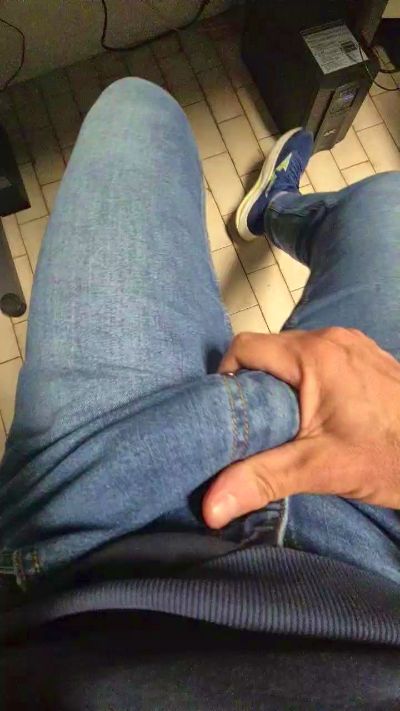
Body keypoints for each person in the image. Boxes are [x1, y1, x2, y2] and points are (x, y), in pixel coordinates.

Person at [0, 78, 399, 709]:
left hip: (98, 538)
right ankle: (277, 211)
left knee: (138, 109)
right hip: (374, 553)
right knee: (387, 202)